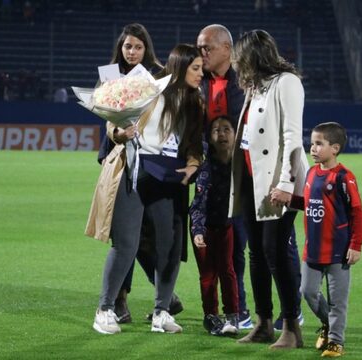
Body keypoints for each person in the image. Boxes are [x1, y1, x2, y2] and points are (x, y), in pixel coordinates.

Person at [91, 43, 204, 335]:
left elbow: (193, 144)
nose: (201, 74)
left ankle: (161, 313)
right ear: (180, 66)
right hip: (135, 173)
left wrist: (193, 165)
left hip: (170, 179)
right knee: (126, 244)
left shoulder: (195, 102)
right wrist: (119, 132)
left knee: (169, 248)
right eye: (196, 68)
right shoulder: (149, 88)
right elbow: (113, 122)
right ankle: (104, 310)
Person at [229, 29, 308, 349]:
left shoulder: (286, 83)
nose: (235, 62)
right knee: (257, 253)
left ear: (252, 56)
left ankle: (291, 326)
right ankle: (263, 323)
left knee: (275, 251)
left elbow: (292, 137)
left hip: (276, 180)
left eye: (239, 55)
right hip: (251, 179)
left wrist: (287, 183)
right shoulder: (256, 87)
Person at [196, 23, 252, 330]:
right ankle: (217, 312)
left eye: (207, 47)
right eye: (199, 47)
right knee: (209, 249)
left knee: (238, 246)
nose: (201, 53)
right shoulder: (195, 80)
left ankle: (240, 309)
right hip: (207, 176)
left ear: (227, 49)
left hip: (240, 174)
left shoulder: (245, 83)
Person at [300, 122, 362, 357]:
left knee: (337, 300)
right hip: (313, 249)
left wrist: (355, 245)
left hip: (338, 251)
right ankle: (328, 325)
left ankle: (336, 342)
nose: (313, 148)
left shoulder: (344, 177)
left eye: (319, 144)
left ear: (335, 148)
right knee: (307, 291)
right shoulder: (310, 173)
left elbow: (357, 213)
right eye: (312, 143)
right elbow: (308, 204)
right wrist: (288, 200)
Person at [189, 116, 239, 336]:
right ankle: (211, 316)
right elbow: (198, 204)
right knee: (208, 275)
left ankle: (233, 316)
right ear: (209, 138)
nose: (222, 134)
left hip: (227, 227)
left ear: (235, 135)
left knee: (227, 271)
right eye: (216, 130)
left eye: (227, 129)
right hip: (205, 228)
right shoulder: (206, 168)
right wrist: (198, 231)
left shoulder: (240, 166)